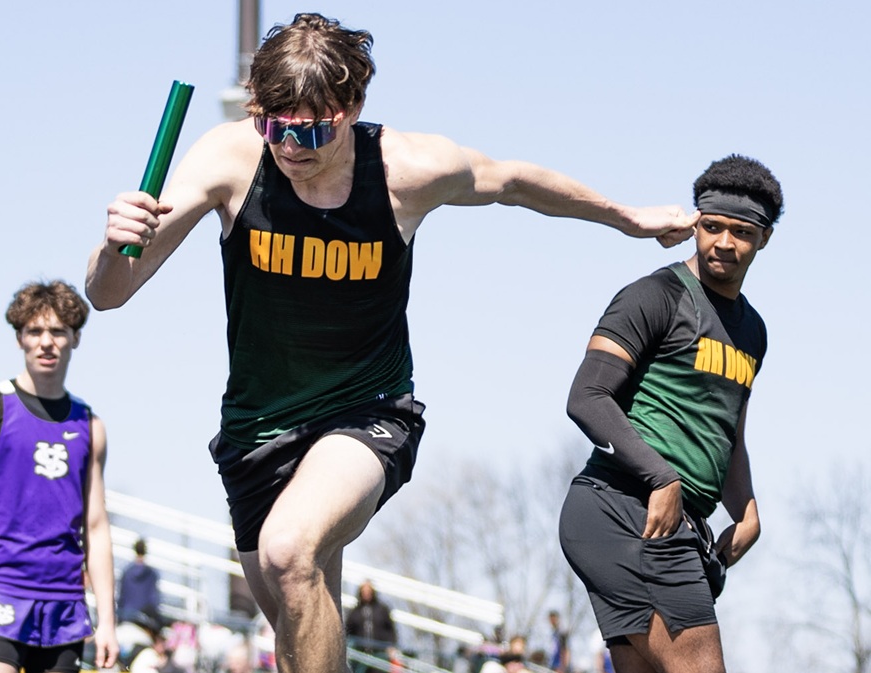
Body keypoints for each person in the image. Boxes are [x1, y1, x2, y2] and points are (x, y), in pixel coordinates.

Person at [85, 13, 697, 673]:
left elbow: (514, 181)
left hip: (367, 412)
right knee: (297, 631)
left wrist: (625, 216)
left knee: (291, 551)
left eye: (312, 131)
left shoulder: (406, 168)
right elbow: (109, 292)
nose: (290, 147)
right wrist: (113, 245)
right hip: (254, 432)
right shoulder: (229, 159)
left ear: (350, 110)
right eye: (274, 127)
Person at [558, 154, 783, 673]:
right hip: (623, 508)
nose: (724, 242)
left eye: (742, 232)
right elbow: (587, 397)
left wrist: (747, 510)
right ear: (695, 224)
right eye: (713, 226)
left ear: (765, 238)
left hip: (671, 521)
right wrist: (660, 477)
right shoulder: (655, 296)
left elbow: (729, 433)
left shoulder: (754, 332)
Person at [0, 281, 118, 672]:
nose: (46, 342)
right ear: (19, 338)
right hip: (0, 590)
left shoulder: (90, 425)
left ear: (75, 338)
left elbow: (96, 526)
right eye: (35, 331)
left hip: (65, 603)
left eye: (58, 331)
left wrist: (107, 620)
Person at [344, 580, 397, 671]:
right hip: (359, 656)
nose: (366, 593)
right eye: (364, 591)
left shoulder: (382, 610)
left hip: (379, 655)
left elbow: (390, 630)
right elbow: (348, 631)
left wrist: (391, 646)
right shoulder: (355, 612)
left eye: (368, 591)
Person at [118, 537, 163, 625]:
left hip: (126, 617)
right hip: (144, 621)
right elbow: (154, 600)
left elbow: (121, 598)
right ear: (145, 551)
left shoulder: (126, 572)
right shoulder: (152, 574)